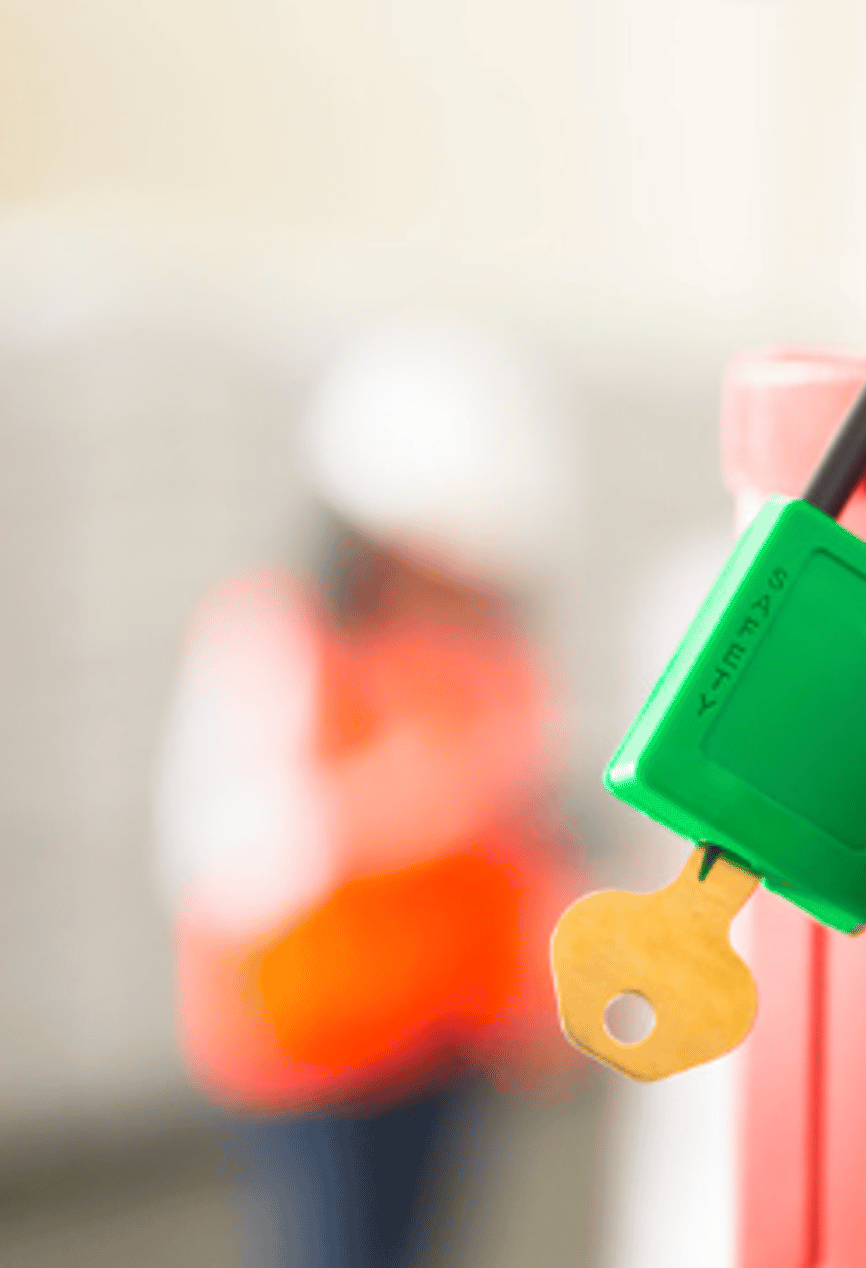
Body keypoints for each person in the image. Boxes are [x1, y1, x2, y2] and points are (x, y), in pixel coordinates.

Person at [155, 317, 581, 1268]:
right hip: (313, 1047)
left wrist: (540, 986)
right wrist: (370, 812)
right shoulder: (277, 638)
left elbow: (528, 837)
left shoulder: (496, 656)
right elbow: (217, 853)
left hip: (446, 1041)